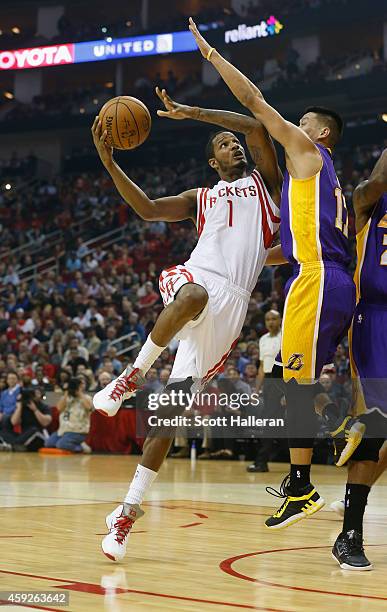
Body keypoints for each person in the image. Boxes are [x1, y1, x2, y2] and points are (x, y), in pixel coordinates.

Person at [92, 85, 282, 561]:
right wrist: (110, 161)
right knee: (192, 293)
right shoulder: (202, 196)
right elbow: (148, 209)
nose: (233, 145)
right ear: (212, 163)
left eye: (232, 142)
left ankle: (125, 516)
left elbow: (257, 127)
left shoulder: (267, 187)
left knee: (169, 418)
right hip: (196, 279)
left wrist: (191, 111)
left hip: (232, 307)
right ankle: (130, 376)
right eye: (223, 144)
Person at [187, 18, 357, 529]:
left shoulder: (309, 154)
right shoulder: (320, 184)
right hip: (329, 277)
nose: (293, 128)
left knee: (292, 382)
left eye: (302, 121)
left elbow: (256, 106)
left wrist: (213, 57)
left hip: (319, 279)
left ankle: (314, 468)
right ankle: (305, 474)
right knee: (289, 377)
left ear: (320, 133)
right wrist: (247, 257)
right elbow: (289, 245)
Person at [330, 149, 387, 569]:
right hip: (377, 318)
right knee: (376, 424)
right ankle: (350, 535)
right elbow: (375, 180)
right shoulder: (369, 199)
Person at [247, 310, 282, 472]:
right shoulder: (263, 340)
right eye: (268, 319)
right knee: (269, 422)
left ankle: (262, 461)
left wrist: (286, 392)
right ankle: (262, 461)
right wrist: (256, 390)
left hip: (283, 381)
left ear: (280, 319)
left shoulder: (286, 336)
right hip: (268, 383)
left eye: (274, 318)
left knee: (274, 422)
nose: (270, 322)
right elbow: (262, 367)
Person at [45, 377, 92, 453]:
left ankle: (82, 447)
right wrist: (67, 392)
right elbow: (59, 408)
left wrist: (79, 393)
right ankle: (73, 444)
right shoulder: (65, 398)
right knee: (48, 444)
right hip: (63, 430)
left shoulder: (87, 398)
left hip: (78, 431)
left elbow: (89, 407)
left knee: (61, 445)